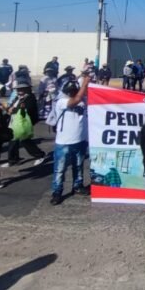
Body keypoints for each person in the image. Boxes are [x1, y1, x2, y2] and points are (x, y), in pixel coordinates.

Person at [50, 75, 91, 205]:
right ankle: (57, 192)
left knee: (78, 166)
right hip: (64, 142)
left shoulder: (83, 99)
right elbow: (75, 100)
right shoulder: (61, 101)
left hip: (80, 139)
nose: (73, 93)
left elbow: (85, 95)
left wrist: (87, 84)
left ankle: (78, 185)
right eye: (71, 91)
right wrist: (85, 83)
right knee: (60, 169)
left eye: (75, 90)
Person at [3, 81, 46, 167]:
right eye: (18, 89)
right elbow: (13, 106)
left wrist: (12, 110)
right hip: (15, 120)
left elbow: (25, 110)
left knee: (24, 140)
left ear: (27, 89)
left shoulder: (30, 98)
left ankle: (40, 155)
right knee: (13, 140)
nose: (19, 91)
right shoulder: (18, 97)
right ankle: (13, 159)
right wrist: (8, 108)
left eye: (22, 89)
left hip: (24, 121)